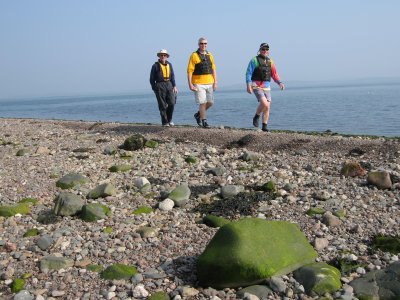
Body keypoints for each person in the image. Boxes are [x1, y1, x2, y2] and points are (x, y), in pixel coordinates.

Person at [246, 43, 285, 132]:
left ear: (268, 51)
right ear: (260, 50)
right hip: (256, 85)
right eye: (263, 49)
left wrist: (280, 82)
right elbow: (248, 73)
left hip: (267, 86)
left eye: (266, 49)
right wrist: (248, 85)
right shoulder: (254, 60)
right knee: (265, 104)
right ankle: (256, 116)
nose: (265, 51)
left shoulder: (270, 62)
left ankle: (264, 126)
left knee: (268, 107)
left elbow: (274, 74)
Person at [187, 37, 217, 128]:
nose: (203, 45)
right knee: (202, 102)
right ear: (198, 44)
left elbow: (213, 69)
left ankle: (198, 115)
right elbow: (189, 71)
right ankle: (204, 121)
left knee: (210, 102)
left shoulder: (210, 55)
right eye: (201, 43)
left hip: (209, 82)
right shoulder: (194, 55)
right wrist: (190, 84)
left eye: (205, 43)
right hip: (198, 83)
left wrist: (215, 82)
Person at [150, 49, 178, 127]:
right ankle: (165, 122)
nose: (163, 56)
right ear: (159, 56)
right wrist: (154, 88)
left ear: (166, 57)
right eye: (161, 55)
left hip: (169, 84)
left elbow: (172, 76)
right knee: (162, 105)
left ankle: (169, 120)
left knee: (172, 103)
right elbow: (151, 78)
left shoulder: (170, 65)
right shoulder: (155, 66)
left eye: (164, 55)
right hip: (159, 85)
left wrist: (174, 86)